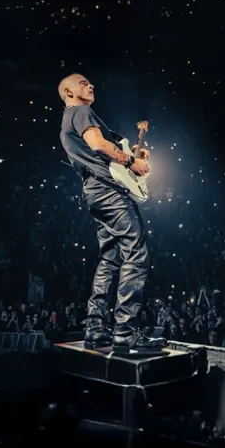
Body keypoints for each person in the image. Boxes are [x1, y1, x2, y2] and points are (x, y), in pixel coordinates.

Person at [57, 73, 164, 353]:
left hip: (94, 194)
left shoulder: (66, 124)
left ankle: (95, 329)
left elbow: (97, 153)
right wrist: (132, 162)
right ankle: (126, 330)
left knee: (109, 259)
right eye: (83, 83)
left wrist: (132, 153)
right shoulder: (81, 112)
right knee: (136, 253)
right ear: (68, 92)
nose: (91, 85)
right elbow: (99, 145)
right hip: (109, 193)